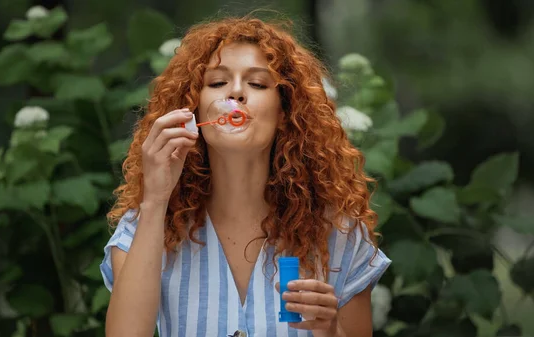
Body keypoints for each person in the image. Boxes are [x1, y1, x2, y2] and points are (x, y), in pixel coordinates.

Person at [100, 13, 391, 337]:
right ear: (193, 110)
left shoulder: (339, 234)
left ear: (284, 113)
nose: (236, 92)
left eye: (256, 83)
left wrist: (331, 330)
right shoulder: (146, 229)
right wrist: (155, 199)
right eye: (217, 83)